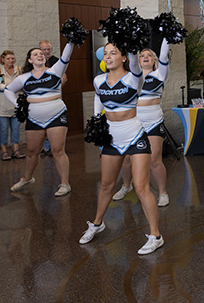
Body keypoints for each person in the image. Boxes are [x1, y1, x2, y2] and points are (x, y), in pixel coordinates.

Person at [80, 43, 163, 255]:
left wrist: (129, 41)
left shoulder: (134, 78)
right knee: (106, 185)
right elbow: (98, 97)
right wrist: (97, 119)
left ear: (124, 57)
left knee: (141, 187)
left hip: (134, 134)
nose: (108, 57)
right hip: (111, 136)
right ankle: (97, 223)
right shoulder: (99, 80)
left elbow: (135, 62)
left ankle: (156, 236)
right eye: (105, 54)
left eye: (113, 53)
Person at [4, 42, 75, 197]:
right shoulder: (23, 78)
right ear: (30, 60)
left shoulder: (55, 71)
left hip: (57, 115)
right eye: (35, 54)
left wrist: (70, 41)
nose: (40, 55)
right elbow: (8, 90)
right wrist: (19, 105)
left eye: (41, 53)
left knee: (57, 150)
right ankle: (27, 178)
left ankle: (65, 183)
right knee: (31, 151)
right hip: (34, 118)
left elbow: (66, 56)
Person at [112, 41, 172, 206]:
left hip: (153, 122)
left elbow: (164, 55)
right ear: (137, 60)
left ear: (154, 61)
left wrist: (167, 37)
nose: (145, 57)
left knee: (154, 160)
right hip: (133, 122)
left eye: (149, 56)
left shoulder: (159, 75)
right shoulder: (129, 77)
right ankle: (126, 186)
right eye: (142, 55)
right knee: (126, 158)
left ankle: (162, 192)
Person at [0, 50, 24, 161]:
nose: (10, 60)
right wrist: (6, 87)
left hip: (15, 105)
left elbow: (24, 83)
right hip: (1, 106)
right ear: (3, 59)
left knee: (16, 128)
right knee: (3, 128)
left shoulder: (19, 70)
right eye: (8, 58)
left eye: (12, 58)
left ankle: (16, 150)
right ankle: (4, 151)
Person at [39, 39, 66, 156]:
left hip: (53, 96)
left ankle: (52, 147)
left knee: (53, 123)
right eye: (44, 49)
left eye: (48, 49)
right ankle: (45, 146)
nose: (46, 52)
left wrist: (54, 88)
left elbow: (64, 77)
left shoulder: (56, 61)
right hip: (40, 98)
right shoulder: (38, 61)